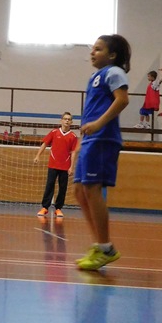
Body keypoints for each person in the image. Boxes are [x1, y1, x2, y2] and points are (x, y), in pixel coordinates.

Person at [73, 34, 131, 271]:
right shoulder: (94, 77)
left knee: (91, 189)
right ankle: (99, 244)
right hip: (90, 139)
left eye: (98, 49)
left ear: (112, 55)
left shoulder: (114, 72)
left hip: (103, 138)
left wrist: (98, 124)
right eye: (93, 48)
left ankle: (106, 247)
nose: (92, 52)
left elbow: (122, 100)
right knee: (79, 191)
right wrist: (82, 140)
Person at [33, 111, 78, 219]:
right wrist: (38, 155)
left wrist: (72, 166)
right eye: (65, 119)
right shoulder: (54, 132)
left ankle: (58, 208)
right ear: (61, 120)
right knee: (49, 185)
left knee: (63, 188)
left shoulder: (73, 136)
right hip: (53, 165)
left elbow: (73, 152)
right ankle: (45, 207)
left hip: (65, 166)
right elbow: (45, 144)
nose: (67, 121)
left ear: (71, 122)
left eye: (69, 119)